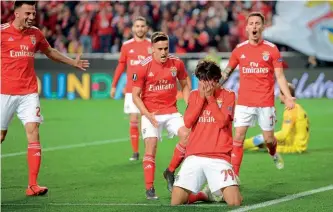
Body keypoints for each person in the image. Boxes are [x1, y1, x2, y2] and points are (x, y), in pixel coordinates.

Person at [1, 1, 89, 196]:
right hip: (4, 92)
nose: (32, 17)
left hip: (28, 93)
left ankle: (33, 185)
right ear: (16, 13)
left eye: (33, 13)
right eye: (28, 13)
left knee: (33, 131)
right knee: (1, 136)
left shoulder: (35, 33)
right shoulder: (2, 32)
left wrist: (72, 62)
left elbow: (50, 52)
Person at [221, 12, 296, 177]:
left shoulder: (272, 50)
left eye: (257, 23)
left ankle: (273, 152)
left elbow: (280, 76)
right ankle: (234, 177)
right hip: (244, 102)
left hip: (265, 103)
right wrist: (216, 87)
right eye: (251, 23)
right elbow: (227, 72)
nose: (254, 26)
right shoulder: (239, 50)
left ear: (262, 27)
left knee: (269, 139)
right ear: (246, 28)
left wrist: (288, 96)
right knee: (238, 137)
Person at [171, 60, 242, 206]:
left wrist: (210, 98)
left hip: (219, 157)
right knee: (175, 202)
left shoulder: (228, 95)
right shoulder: (194, 95)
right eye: (201, 80)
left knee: (235, 203)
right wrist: (203, 98)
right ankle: (204, 194)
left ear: (216, 80)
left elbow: (222, 122)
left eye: (207, 80)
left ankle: (216, 190)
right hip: (194, 156)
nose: (203, 84)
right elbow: (188, 122)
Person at [132, 32, 190, 200]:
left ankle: (170, 171)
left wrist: (188, 104)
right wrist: (147, 114)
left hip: (171, 111)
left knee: (187, 136)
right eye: (160, 49)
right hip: (151, 113)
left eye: (166, 48)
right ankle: (149, 188)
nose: (164, 52)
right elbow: (135, 95)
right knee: (151, 146)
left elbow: (185, 85)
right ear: (152, 49)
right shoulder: (143, 66)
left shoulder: (177, 63)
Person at [110, 16, 151, 161]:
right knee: (133, 120)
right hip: (132, 90)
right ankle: (135, 152)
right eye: (137, 26)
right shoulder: (127, 45)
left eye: (142, 26)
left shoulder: (152, 45)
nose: (140, 28)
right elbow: (121, 66)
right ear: (133, 28)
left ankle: (149, 152)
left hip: (149, 90)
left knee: (147, 121)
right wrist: (114, 85)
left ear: (146, 28)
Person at [244, 83, 310, 153]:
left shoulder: (291, 110)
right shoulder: (297, 107)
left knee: (262, 139)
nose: (278, 96)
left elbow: (283, 134)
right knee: (263, 143)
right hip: (295, 143)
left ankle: (241, 145)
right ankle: (242, 145)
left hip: (294, 147)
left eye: (280, 94)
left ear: (284, 95)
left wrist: (268, 137)